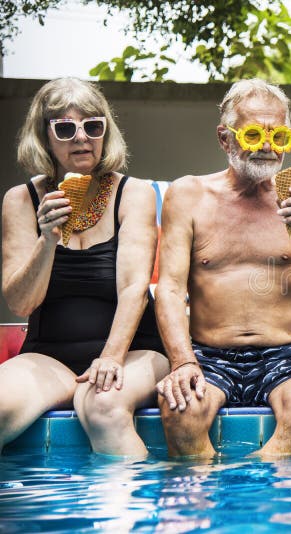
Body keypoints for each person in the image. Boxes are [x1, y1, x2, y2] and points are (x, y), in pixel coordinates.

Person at [155, 79, 291, 459]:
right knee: (181, 412)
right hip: (207, 355)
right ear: (225, 139)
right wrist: (182, 361)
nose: (267, 146)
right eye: (254, 134)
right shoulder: (188, 195)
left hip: (285, 355)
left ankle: (251, 485)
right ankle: (213, 496)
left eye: (279, 136)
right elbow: (170, 290)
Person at [0, 77, 168, 456]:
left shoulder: (132, 193)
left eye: (93, 127)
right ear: (44, 137)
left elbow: (134, 289)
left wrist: (110, 357)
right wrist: (47, 239)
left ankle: (130, 513)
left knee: (103, 408)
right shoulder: (21, 200)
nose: (81, 138)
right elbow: (21, 304)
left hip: (133, 350)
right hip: (48, 354)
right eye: (65, 128)